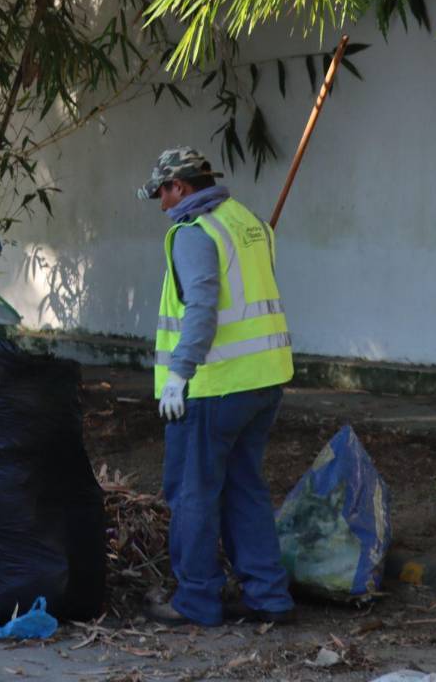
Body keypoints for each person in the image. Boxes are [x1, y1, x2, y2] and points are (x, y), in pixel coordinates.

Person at [137, 147, 296, 627]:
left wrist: (179, 374)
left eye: (162, 193)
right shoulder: (247, 222)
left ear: (180, 187)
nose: (161, 204)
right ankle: (269, 596)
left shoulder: (193, 233)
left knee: (192, 491)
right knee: (245, 486)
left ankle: (196, 600)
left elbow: (203, 309)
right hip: (264, 380)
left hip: (214, 385)